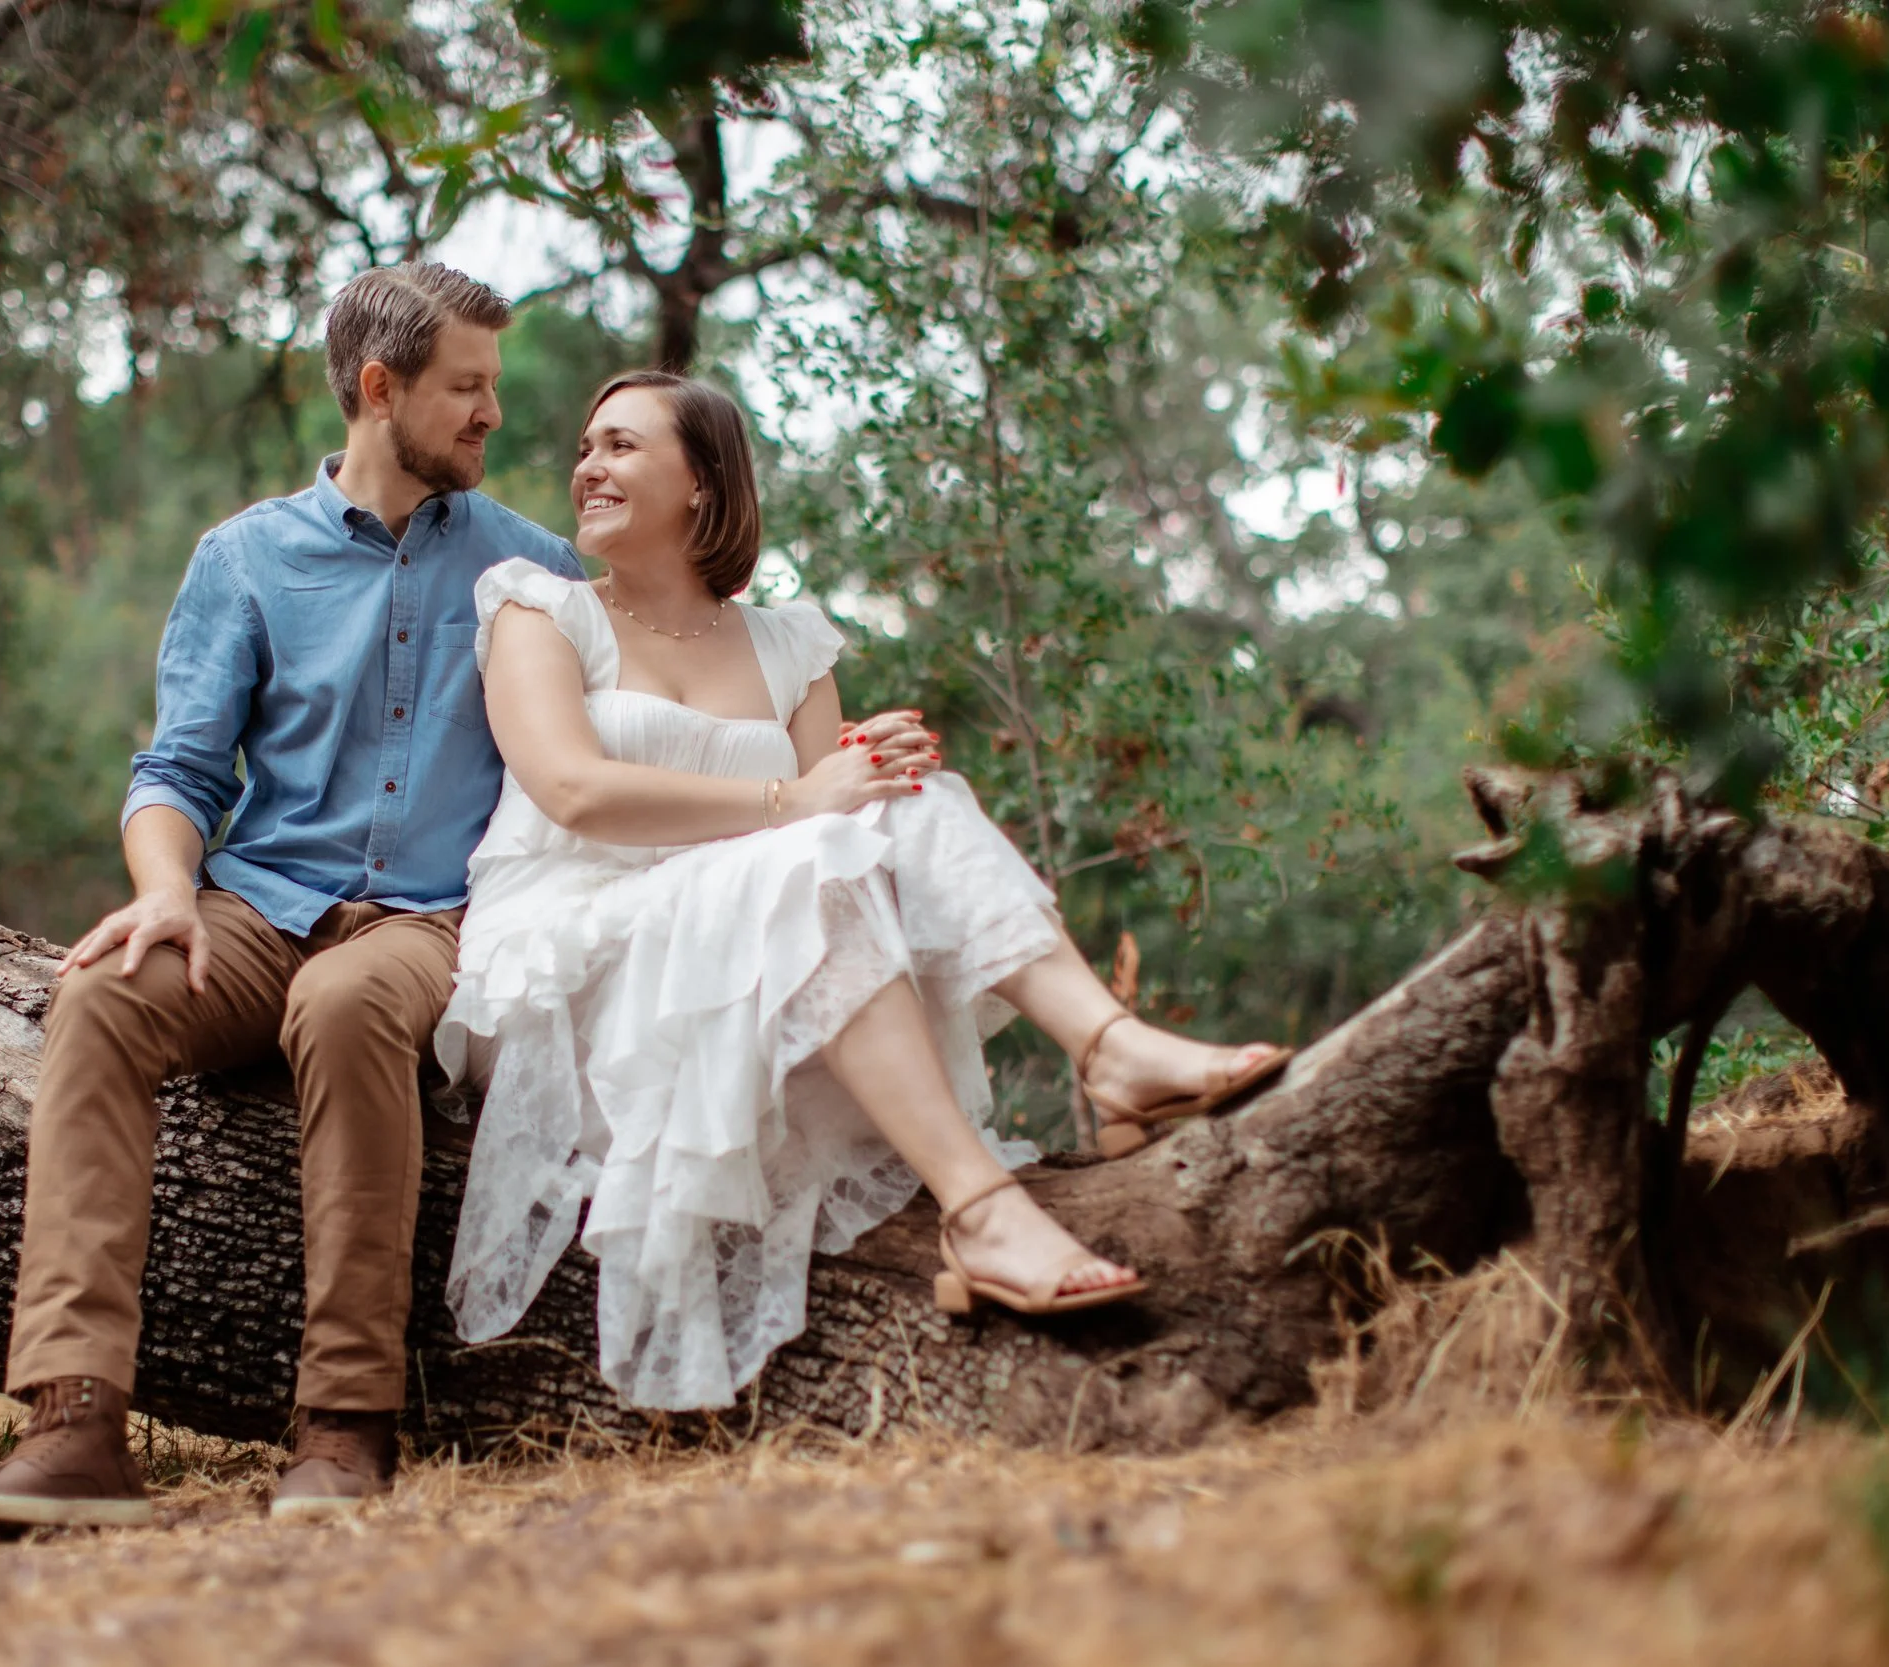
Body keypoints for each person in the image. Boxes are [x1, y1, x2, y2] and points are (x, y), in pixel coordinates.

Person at [437, 371, 1291, 1411]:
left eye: (619, 446)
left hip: (756, 948)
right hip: (583, 959)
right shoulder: (542, 609)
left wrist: (866, 774)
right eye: (586, 445)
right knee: (804, 850)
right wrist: (796, 792)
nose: (587, 467)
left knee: (919, 799)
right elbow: (575, 790)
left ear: (701, 480)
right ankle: (975, 1203)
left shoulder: (788, 641)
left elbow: (833, 827)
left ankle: (1109, 1050)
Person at [0, 263, 585, 1537]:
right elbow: (174, 771)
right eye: (467, 387)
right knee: (103, 997)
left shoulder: (532, 571)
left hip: (427, 924)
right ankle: (73, 1424)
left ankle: (345, 1424)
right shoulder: (244, 558)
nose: (491, 415)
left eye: (494, 388)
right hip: (254, 904)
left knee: (345, 1007)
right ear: (380, 389)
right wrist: (168, 892)